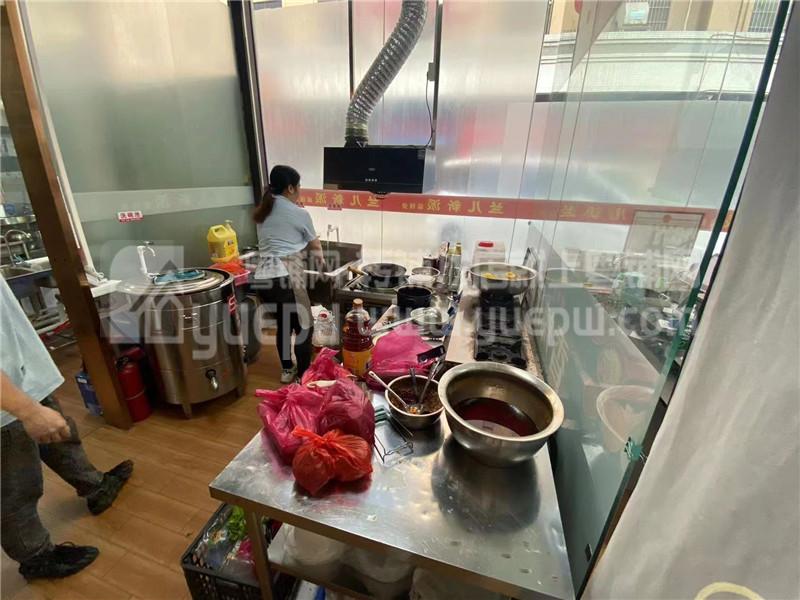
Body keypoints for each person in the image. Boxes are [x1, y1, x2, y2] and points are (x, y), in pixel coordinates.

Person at [0, 277, 133, 579]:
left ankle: (96, 486)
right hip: (5, 406)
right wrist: (27, 410)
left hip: (20, 375)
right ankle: (35, 556)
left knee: (61, 438)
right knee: (15, 486)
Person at [253, 165, 325, 383]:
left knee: (284, 325)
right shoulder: (299, 213)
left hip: (263, 278)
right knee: (304, 327)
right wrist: (321, 263)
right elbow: (315, 246)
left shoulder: (264, 210)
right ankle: (303, 376)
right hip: (286, 274)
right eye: (299, 186)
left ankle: (287, 369)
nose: (300, 190)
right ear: (291, 188)